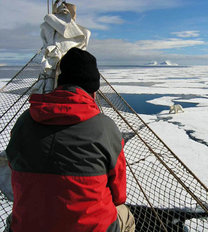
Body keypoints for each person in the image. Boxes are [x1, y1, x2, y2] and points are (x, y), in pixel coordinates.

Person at [6, 47, 135, 232]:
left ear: (60, 83)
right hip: (92, 227)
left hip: (27, 226)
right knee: (126, 216)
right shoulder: (106, 128)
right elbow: (119, 196)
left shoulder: (24, 121)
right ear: (93, 91)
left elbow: (14, 169)